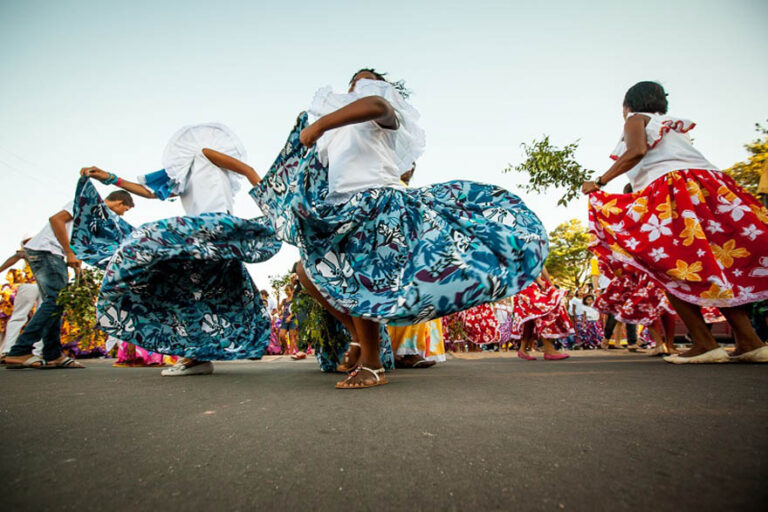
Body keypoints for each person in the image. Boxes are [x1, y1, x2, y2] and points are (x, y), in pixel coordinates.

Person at [251, 68, 548, 388]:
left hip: (377, 202)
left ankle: (372, 363)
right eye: (353, 81)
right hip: (343, 209)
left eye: (365, 79)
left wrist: (322, 123)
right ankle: (358, 339)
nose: (357, 84)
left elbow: (378, 106)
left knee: (359, 272)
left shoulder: (378, 113)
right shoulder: (334, 133)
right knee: (307, 272)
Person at [583, 81, 768, 363]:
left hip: (672, 192)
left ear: (629, 104)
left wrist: (598, 182)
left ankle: (706, 344)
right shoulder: (671, 125)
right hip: (707, 189)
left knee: (669, 267)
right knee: (711, 265)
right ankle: (750, 342)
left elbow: (636, 152)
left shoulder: (635, 119)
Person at [80, 123, 281, 376]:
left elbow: (248, 170)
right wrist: (110, 178)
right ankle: (198, 356)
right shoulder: (180, 176)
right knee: (197, 292)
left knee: (145, 238)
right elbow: (151, 192)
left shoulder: (205, 153)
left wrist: (272, 203)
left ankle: (203, 354)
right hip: (198, 239)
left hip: (215, 227)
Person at [5, 190, 134, 369]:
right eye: (125, 210)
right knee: (56, 299)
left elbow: (79, 240)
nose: (122, 213)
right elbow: (56, 219)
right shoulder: (85, 204)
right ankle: (20, 350)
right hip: (47, 251)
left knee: (57, 302)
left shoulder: (95, 218)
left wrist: (77, 263)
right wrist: (68, 251)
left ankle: (52, 354)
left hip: (55, 255)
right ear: (119, 202)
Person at [509, 267, 573, 361]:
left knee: (530, 317)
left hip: (524, 283)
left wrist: (548, 283)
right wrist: (540, 280)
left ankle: (523, 349)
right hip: (529, 283)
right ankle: (548, 349)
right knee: (541, 313)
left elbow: (541, 265)